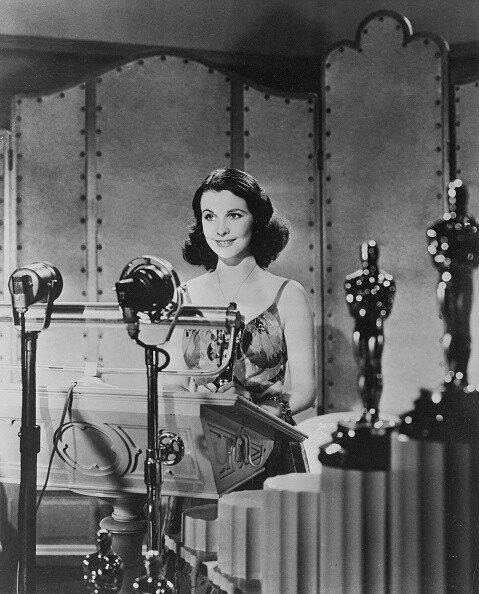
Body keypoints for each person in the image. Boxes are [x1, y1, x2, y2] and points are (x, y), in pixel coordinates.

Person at [176, 167, 316, 422]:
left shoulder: (289, 294)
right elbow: (171, 385)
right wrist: (199, 401)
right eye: (209, 216)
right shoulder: (184, 296)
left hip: (267, 441)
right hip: (201, 442)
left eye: (234, 215)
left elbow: (306, 391)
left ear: (257, 219)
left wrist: (261, 410)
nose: (220, 229)